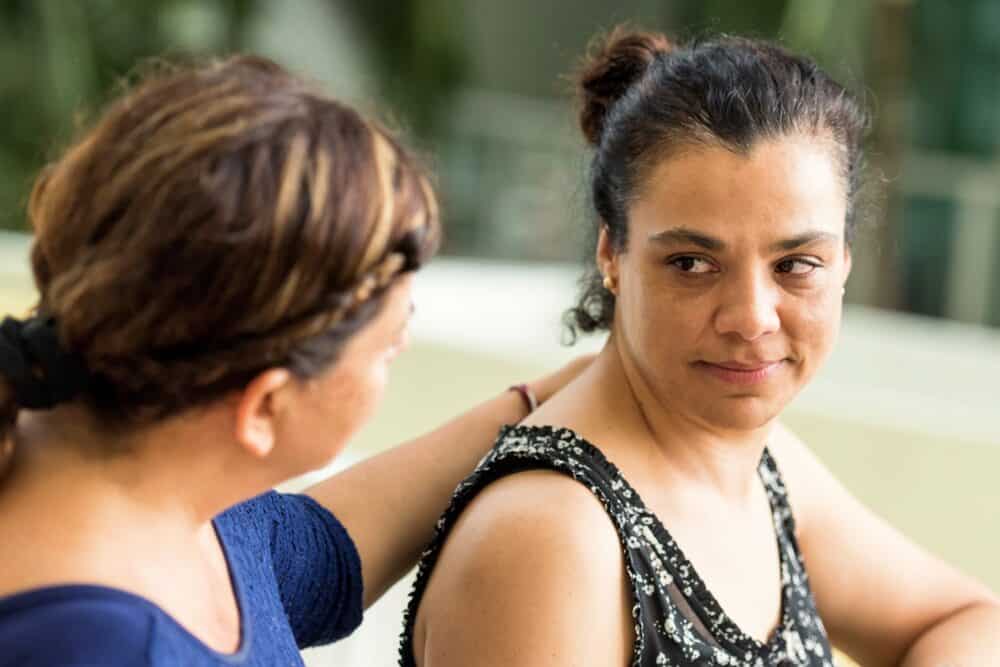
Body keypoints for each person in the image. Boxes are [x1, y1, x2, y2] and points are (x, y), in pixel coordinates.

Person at [401, 28, 1000, 667]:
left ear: (844, 261)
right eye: (691, 263)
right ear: (613, 253)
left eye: (797, 263)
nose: (750, 317)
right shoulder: (549, 540)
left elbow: (965, 619)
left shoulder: (761, 470)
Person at [0, 55, 589, 666]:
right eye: (388, 346)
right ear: (265, 406)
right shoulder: (98, 647)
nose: (402, 350)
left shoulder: (160, 482)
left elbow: (315, 559)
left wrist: (543, 401)